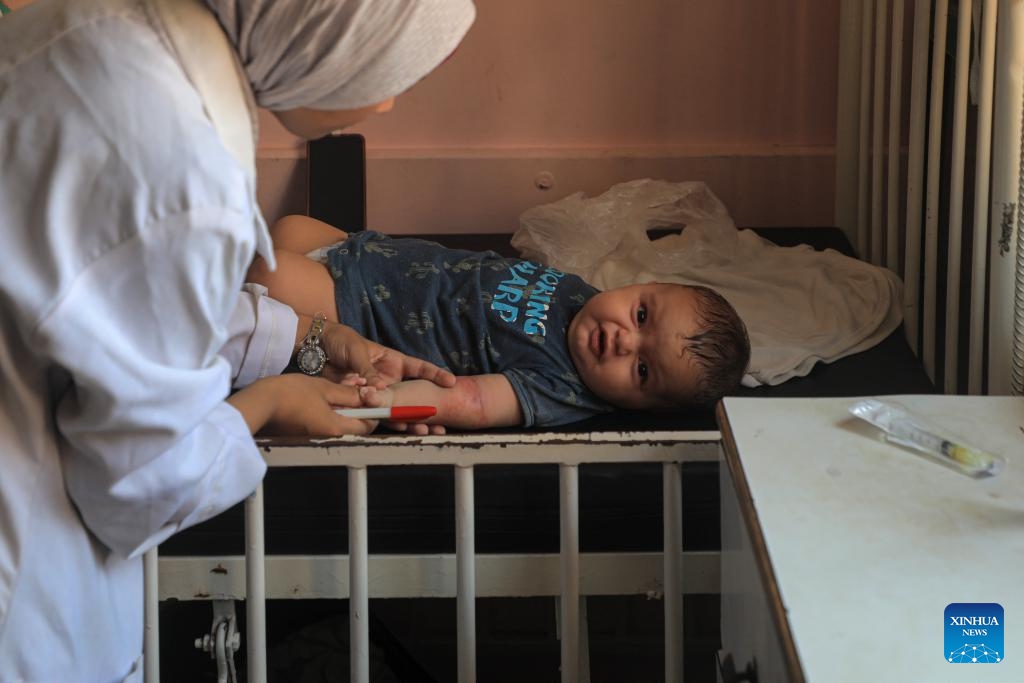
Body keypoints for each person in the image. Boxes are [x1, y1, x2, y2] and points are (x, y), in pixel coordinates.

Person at [0, 0, 474, 679]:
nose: (389, 101)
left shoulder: (85, 34)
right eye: (382, 62)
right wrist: (273, 404)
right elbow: (133, 486)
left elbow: (102, 299)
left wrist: (312, 339)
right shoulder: (181, 162)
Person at [248, 215, 751, 431]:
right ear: (644, 286)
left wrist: (383, 403)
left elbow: (468, 400)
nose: (624, 339)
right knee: (290, 226)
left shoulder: (562, 387)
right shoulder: (589, 297)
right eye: (641, 315)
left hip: (356, 312)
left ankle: (205, 304)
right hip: (367, 253)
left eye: (642, 370)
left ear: (638, 405)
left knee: (269, 271)